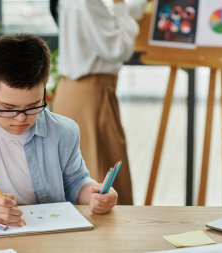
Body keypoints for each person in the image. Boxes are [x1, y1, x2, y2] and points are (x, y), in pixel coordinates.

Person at [0, 34, 118, 227]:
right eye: (8, 108)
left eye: (33, 106)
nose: (21, 118)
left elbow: (75, 182)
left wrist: (95, 194)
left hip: (43, 230)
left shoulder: (63, 131)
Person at [51, 0, 146, 205]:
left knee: (89, 175)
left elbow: (110, 17)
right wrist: (121, 7)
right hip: (91, 95)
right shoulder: (88, 2)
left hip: (75, 92)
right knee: (101, 180)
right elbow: (117, 49)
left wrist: (125, 7)